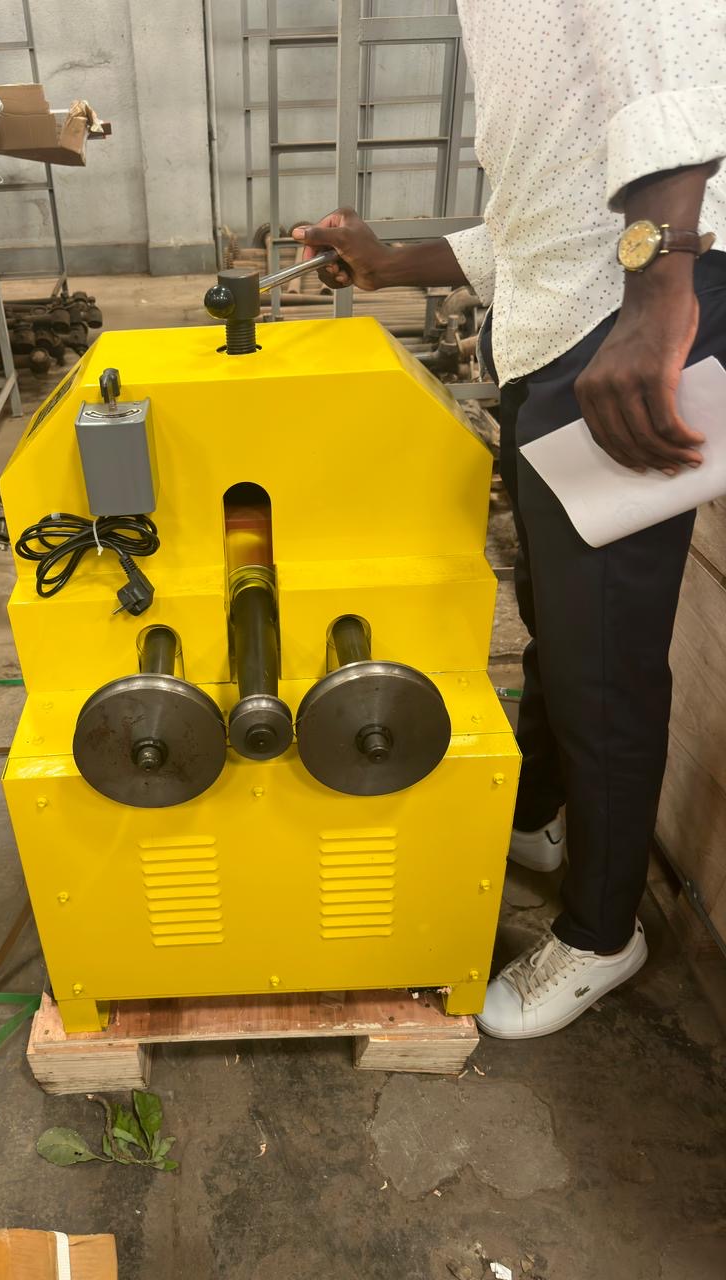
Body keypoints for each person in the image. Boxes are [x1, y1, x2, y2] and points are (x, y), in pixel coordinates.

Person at [292, 0, 726, 1039]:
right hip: (568, 319)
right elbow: (543, 220)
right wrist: (391, 262)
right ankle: (536, 816)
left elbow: (676, 64)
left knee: (604, 658)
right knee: (558, 624)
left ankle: (602, 931)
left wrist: (660, 300)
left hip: (626, 322)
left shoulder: (652, 281)